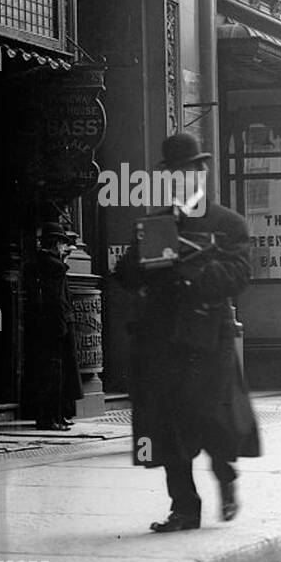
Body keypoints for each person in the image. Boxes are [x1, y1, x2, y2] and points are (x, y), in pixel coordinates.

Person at [112, 131, 260, 532]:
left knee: (212, 417)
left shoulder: (228, 224)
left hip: (209, 338)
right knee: (168, 424)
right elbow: (123, 273)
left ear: (202, 173)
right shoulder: (156, 224)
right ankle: (184, 508)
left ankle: (225, 477)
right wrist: (147, 262)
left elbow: (239, 276)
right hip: (162, 338)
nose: (181, 180)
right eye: (173, 174)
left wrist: (192, 269)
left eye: (188, 171)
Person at [24, 222, 82, 430]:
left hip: (42, 324)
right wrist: (62, 326)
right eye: (61, 243)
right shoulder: (55, 267)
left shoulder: (37, 263)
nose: (63, 248)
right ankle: (52, 418)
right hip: (58, 323)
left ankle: (55, 415)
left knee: (51, 371)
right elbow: (58, 300)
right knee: (56, 371)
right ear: (56, 243)